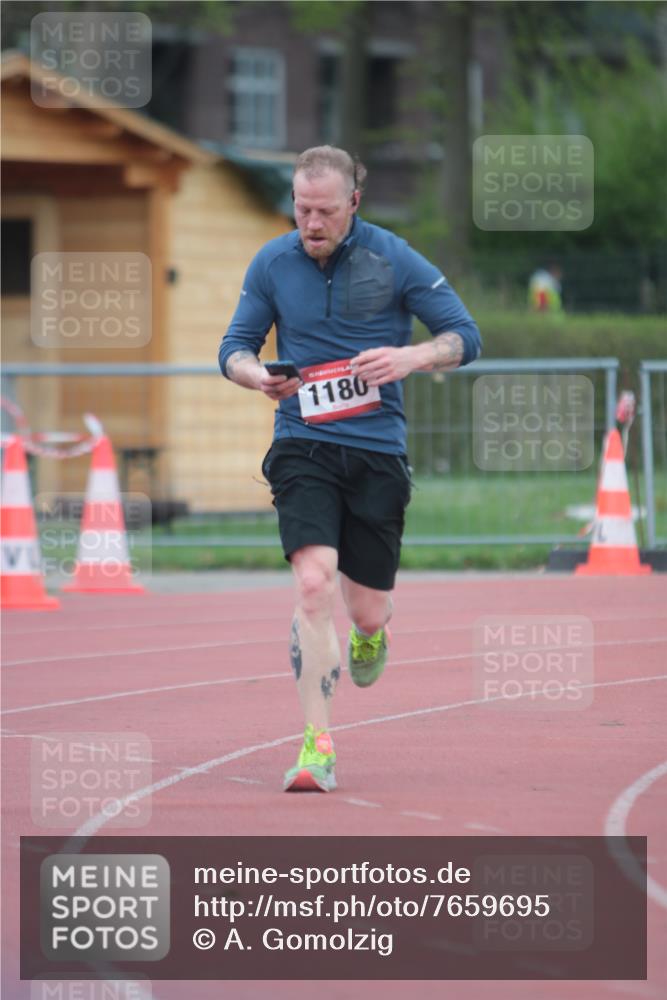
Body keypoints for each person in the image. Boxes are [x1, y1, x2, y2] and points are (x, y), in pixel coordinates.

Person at [218, 145, 481, 793]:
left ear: (353, 204)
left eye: (324, 211)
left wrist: (412, 357)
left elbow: (463, 336)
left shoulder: (393, 259)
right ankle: (316, 745)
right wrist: (256, 377)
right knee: (313, 583)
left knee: (365, 611)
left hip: (375, 452)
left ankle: (371, 635)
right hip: (302, 444)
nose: (310, 222)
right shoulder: (272, 262)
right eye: (301, 209)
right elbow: (234, 347)